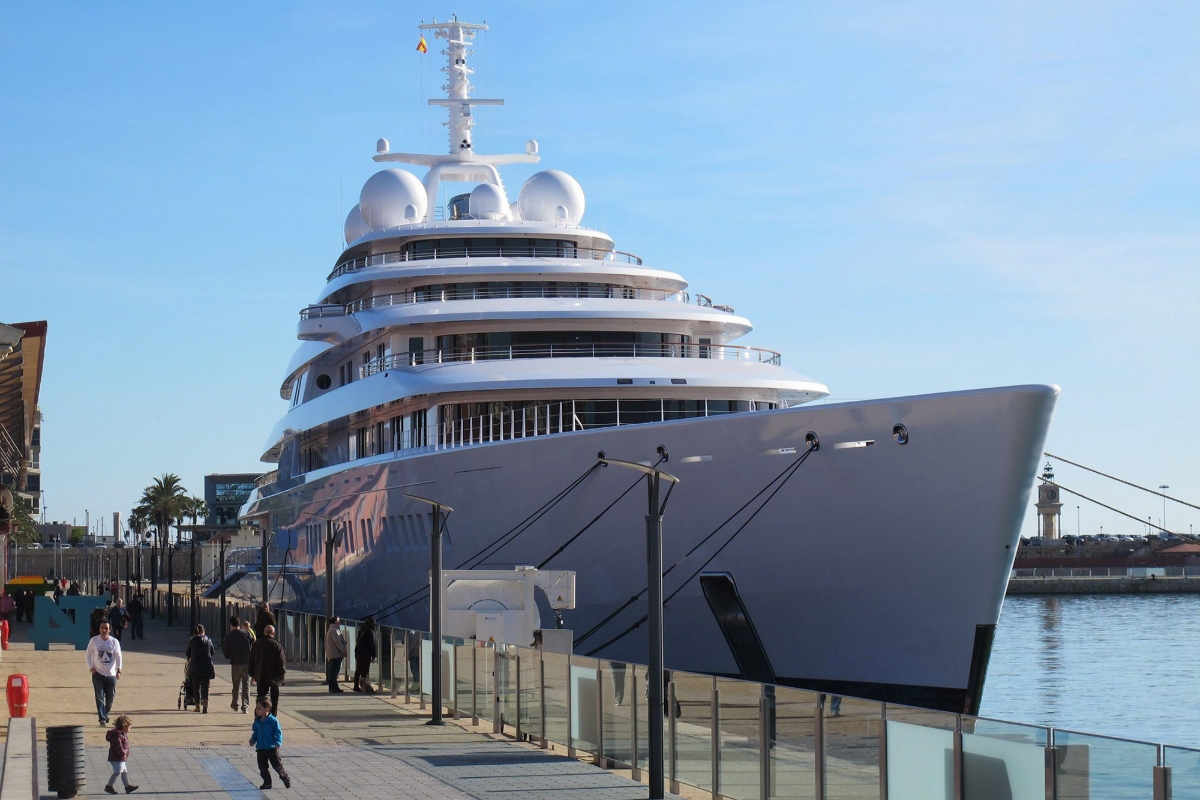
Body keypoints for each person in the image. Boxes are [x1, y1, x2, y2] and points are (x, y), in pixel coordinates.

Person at [249, 698, 291, 790]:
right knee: (262, 767)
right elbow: (255, 733)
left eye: (259, 708)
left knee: (277, 765)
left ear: (266, 709)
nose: (257, 710)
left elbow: (278, 732)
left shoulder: (273, 721)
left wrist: (278, 742)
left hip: (271, 748)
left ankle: (284, 776)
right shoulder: (257, 721)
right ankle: (267, 782)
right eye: (256, 708)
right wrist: (253, 740)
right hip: (260, 748)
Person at [87, 621, 123, 726]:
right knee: (99, 696)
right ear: (99, 629)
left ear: (109, 630)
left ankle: (105, 713)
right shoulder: (94, 641)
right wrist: (91, 667)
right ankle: (102, 718)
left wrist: (119, 670)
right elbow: (88, 655)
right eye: (102, 627)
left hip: (111, 675)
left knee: (110, 697)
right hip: (97, 674)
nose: (104, 630)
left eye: (106, 628)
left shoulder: (114, 642)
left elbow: (118, 656)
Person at [248, 624, 286, 713]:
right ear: (274, 633)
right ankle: (273, 716)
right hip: (274, 677)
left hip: (261, 675)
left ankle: (258, 715)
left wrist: (252, 674)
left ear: (264, 632)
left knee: (261, 697)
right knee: (274, 699)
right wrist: (282, 675)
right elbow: (281, 662)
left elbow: (251, 660)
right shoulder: (277, 645)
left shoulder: (257, 644)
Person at [223, 616, 254, 713]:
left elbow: (225, 651)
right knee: (246, 685)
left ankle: (235, 704)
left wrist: (229, 656)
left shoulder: (229, 636)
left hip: (235, 663)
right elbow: (253, 645)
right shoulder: (247, 633)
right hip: (246, 662)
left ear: (231, 625)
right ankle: (245, 706)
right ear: (239, 623)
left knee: (236, 685)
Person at [104, 715, 139, 794]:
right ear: (124, 727)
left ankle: (127, 787)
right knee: (117, 772)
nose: (130, 729)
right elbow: (118, 747)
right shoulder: (118, 736)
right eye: (129, 727)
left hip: (119, 757)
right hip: (117, 757)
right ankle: (109, 786)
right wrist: (123, 754)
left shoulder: (121, 734)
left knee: (124, 772)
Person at [185, 624, 216, 713]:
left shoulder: (192, 641)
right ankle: (205, 704)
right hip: (206, 666)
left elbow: (187, 653)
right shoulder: (208, 641)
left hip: (195, 666)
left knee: (196, 687)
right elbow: (212, 652)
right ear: (203, 631)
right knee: (205, 686)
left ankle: (197, 706)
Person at [353, 617, 376, 693]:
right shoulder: (370, 632)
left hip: (358, 652)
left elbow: (357, 640)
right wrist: (373, 655)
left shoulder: (361, 630)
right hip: (365, 653)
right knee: (365, 670)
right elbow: (371, 644)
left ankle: (356, 686)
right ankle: (363, 687)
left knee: (358, 669)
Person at [324, 616, 347, 693]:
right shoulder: (334, 630)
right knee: (334, 671)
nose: (339, 622)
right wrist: (343, 650)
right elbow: (337, 642)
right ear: (335, 622)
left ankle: (334, 686)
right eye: (338, 621)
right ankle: (333, 687)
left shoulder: (331, 630)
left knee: (334, 671)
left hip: (332, 653)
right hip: (335, 654)